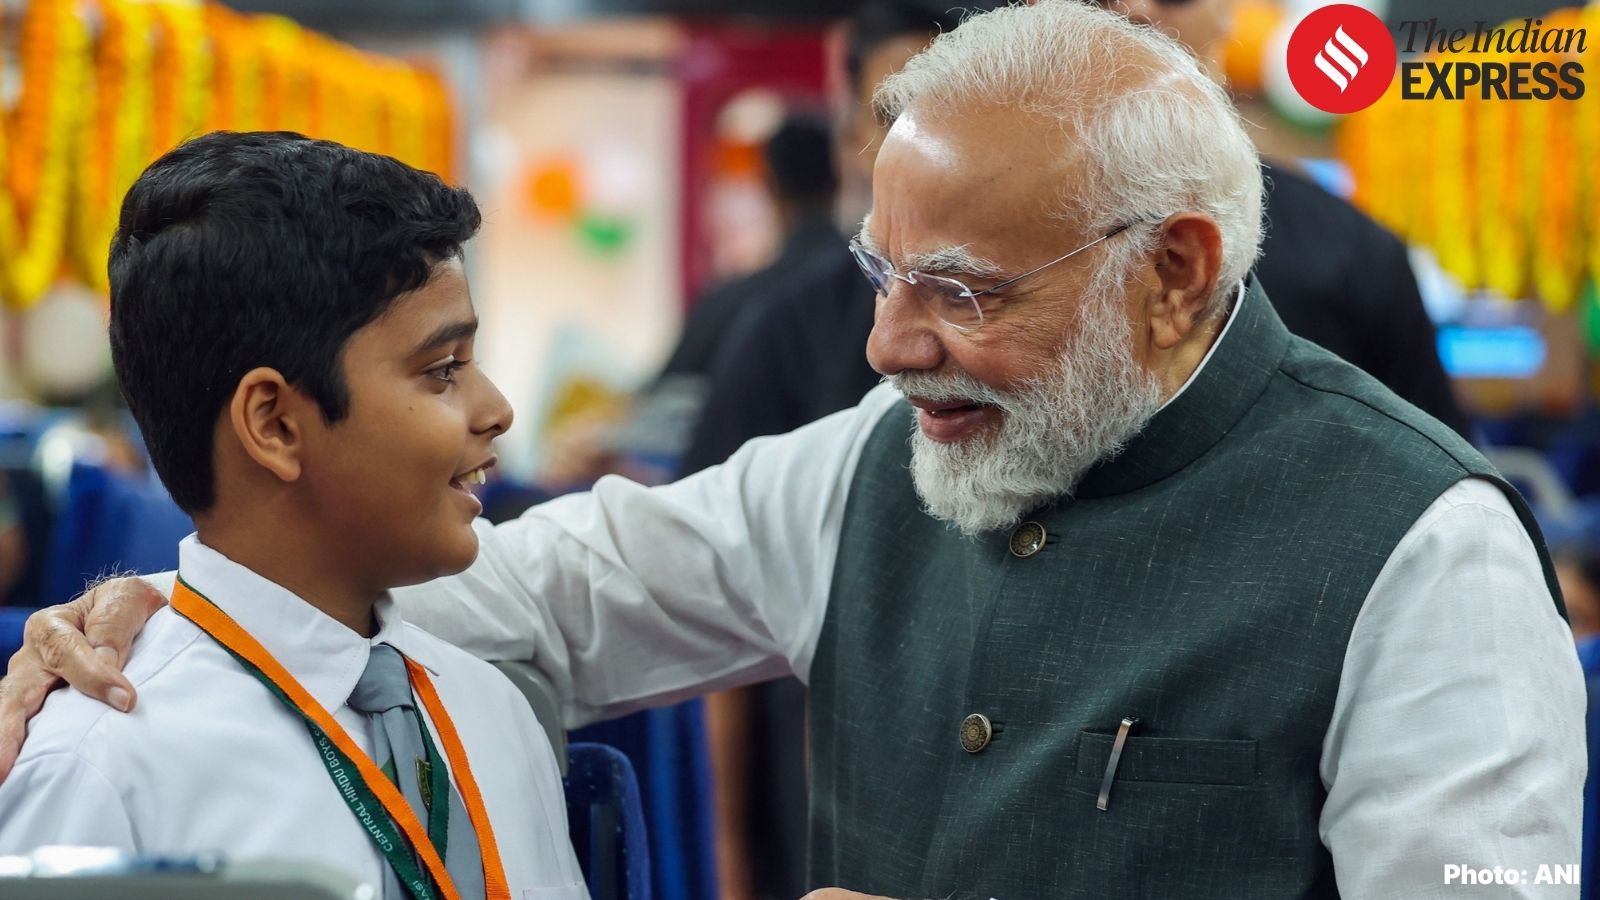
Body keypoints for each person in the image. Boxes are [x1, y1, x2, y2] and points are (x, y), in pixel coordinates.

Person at [1, 6, 1583, 899]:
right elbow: (523, 594)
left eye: (959, 294)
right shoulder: (868, 467)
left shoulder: (1416, 551)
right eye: (881, 280)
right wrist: (166, 608)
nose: (893, 347)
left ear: (1170, 274)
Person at [0, 132, 585, 899]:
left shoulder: (495, 715)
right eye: (443, 371)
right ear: (273, 425)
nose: (497, 410)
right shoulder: (104, 763)